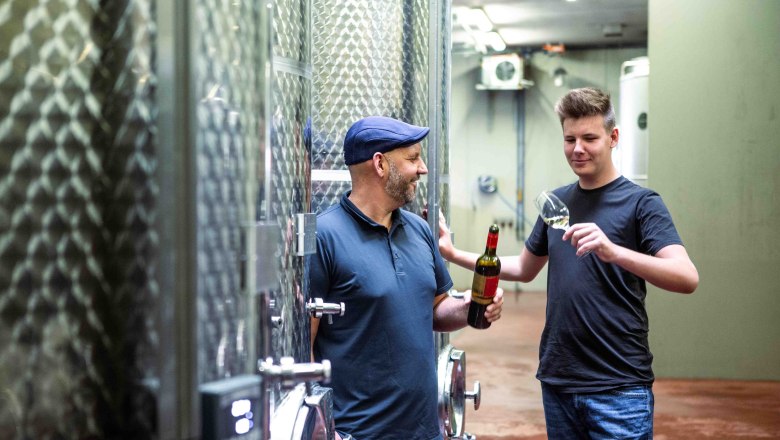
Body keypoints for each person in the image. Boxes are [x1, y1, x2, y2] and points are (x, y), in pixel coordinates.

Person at [438, 88, 699, 439]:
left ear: (614, 137)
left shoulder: (641, 204)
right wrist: (454, 254)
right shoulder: (557, 202)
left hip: (618, 384)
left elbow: (686, 276)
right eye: (570, 139)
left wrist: (613, 251)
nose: (578, 149)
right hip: (559, 379)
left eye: (590, 138)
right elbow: (524, 268)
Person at [310, 116, 504, 440]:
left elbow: (436, 309)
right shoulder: (325, 236)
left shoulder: (417, 229)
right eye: (413, 158)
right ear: (380, 164)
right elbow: (306, 346)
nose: (423, 168)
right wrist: (322, 428)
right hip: (357, 432)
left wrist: (472, 306)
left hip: (424, 430)